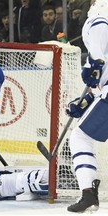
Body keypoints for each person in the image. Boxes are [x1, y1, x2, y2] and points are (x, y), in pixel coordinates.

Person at [65, 0, 108, 212]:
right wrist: (86, 101)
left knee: (80, 137)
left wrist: (96, 63)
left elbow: (100, 24)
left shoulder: (99, 15)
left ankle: (88, 193)